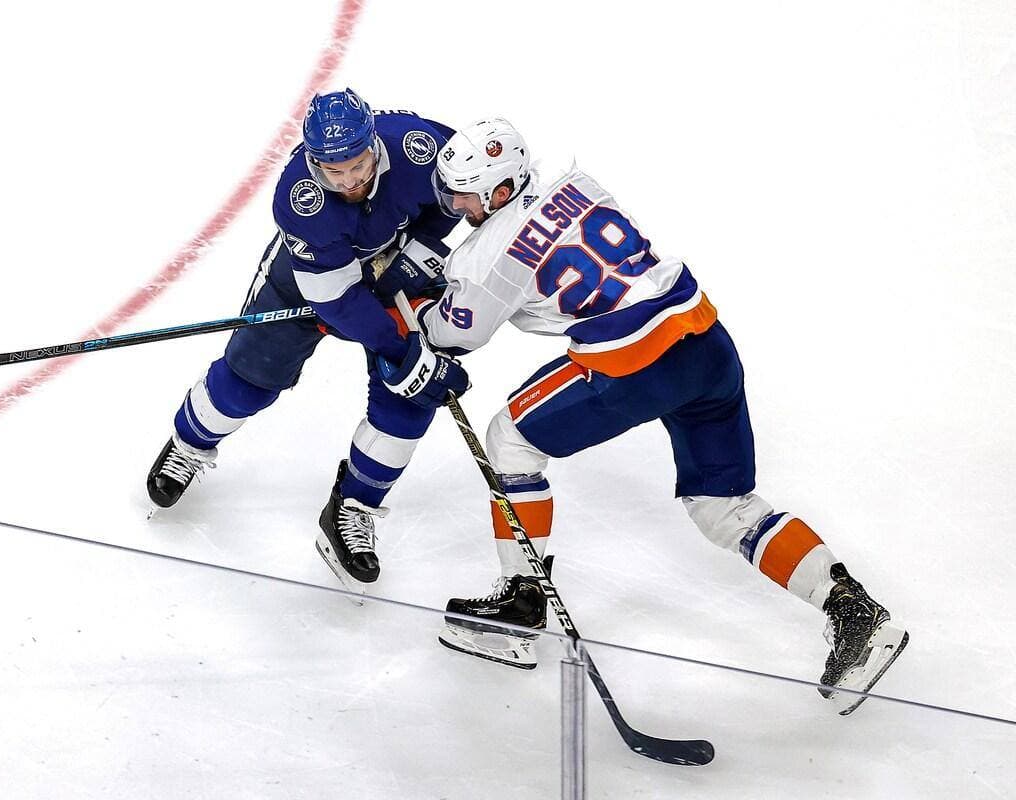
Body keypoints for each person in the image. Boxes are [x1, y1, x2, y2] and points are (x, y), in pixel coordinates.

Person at [405, 118, 906, 713]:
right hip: (704, 338)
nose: (456, 206)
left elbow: (455, 333)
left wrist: (417, 301)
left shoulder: (487, 255)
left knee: (508, 440)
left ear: (501, 189)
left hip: (634, 360)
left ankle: (520, 606)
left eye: (465, 195)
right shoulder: (574, 181)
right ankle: (854, 611)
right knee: (724, 507)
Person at [145, 89, 468, 592]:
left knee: (410, 396)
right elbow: (338, 301)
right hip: (305, 285)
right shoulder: (300, 199)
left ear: (374, 147)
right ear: (314, 161)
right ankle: (189, 443)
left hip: (396, 269)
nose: (349, 181)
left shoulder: (419, 145)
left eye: (358, 166)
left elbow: (456, 194)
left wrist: (418, 249)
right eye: (333, 171)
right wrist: (397, 348)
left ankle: (353, 507)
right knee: (246, 381)